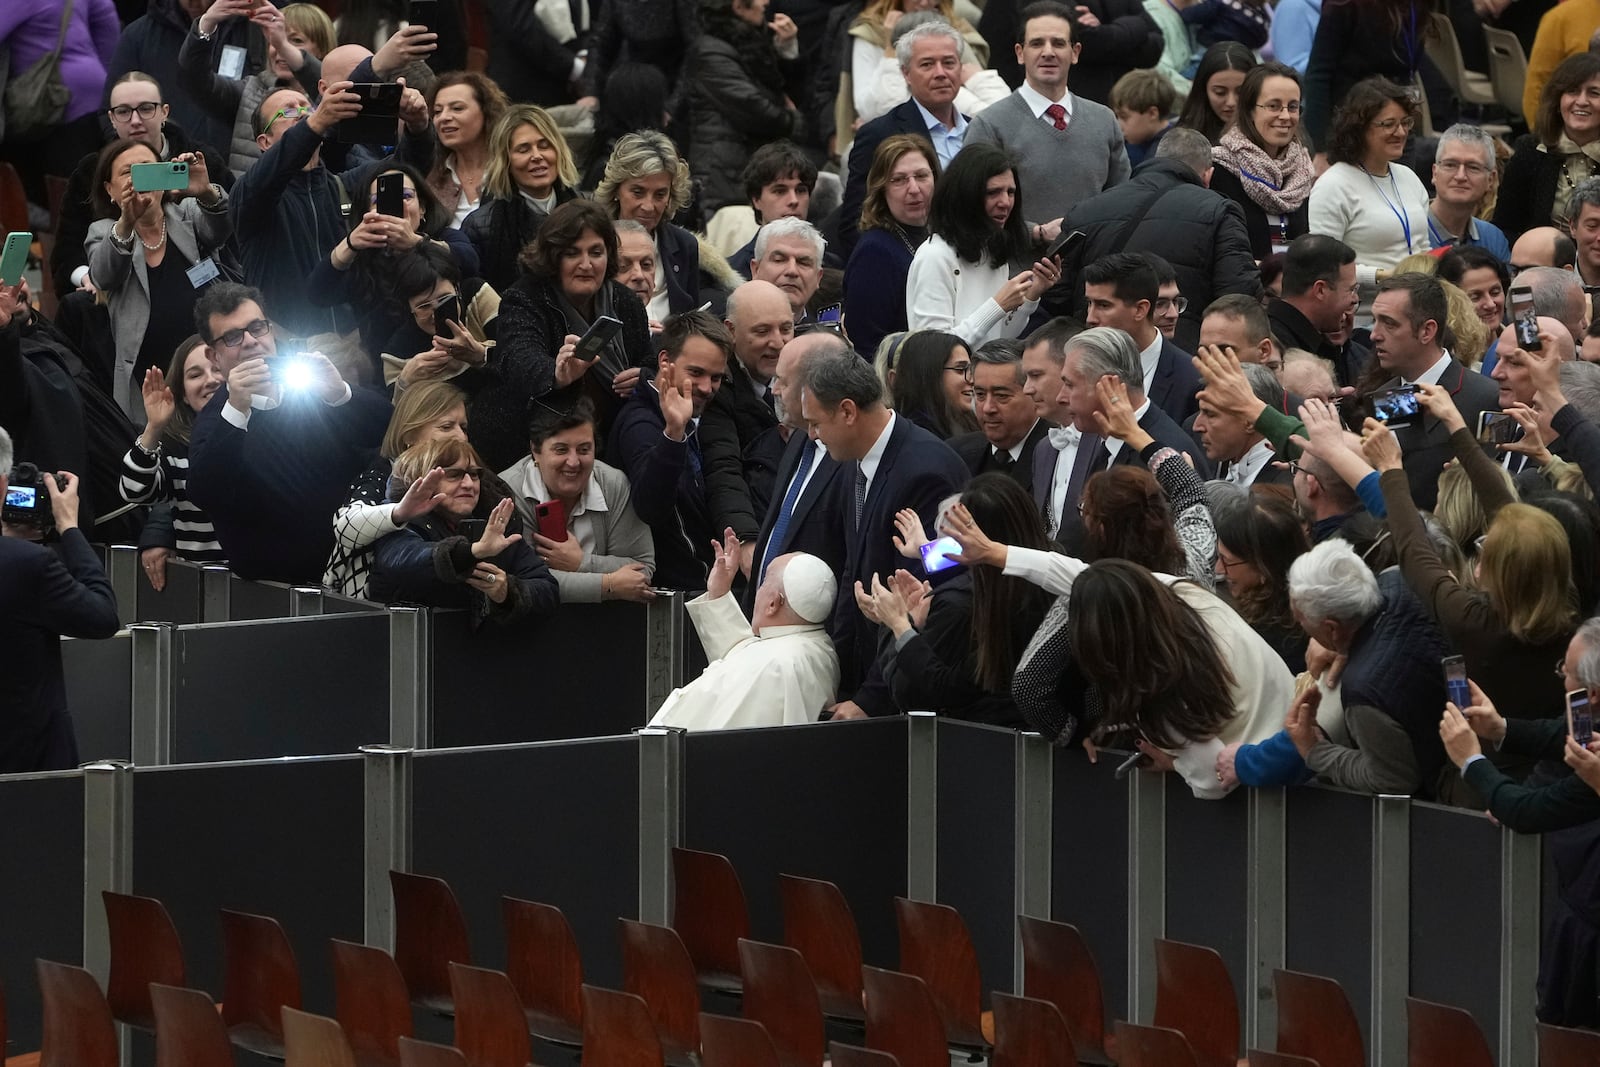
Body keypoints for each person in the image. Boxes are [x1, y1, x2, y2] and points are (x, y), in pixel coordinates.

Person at [801, 347, 969, 720]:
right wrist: (842, 678)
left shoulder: (928, 471)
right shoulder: (852, 461)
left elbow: (929, 593)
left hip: (913, 697)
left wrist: (869, 701)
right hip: (870, 674)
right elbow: (853, 575)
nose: (812, 435)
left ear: (847, 412)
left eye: (816, 423)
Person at [185, 283, 392, 583]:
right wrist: (237, 409)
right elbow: (206, 492)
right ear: (214, 356)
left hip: (349, 573)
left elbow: (387, 429)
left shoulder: (310, 389)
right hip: (270, 592)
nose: (250, 341)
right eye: (232, 337)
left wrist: (340, 392)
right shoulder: (217, 417)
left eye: (257, 328)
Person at [1221, 538, 1453, 796]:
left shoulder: (1363, 694)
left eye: (1303, 622)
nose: (1304, 632)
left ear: (1332, 627)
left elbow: (1393, 779)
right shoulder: (1403, 579)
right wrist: (1343, 645)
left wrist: (1315, 752)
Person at [230, 81, 434, 338]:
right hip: (285, 347)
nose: (304, 113)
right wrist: (314, 124)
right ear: (265, 141)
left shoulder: (343, 186)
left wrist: (418, 126)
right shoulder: (250, 193)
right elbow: (273, 171)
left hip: (352, 347)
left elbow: (404, 169)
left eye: (308, 107)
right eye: (289, 111)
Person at [858, 474, 1052, 725]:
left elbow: (935, 688)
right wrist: (927, 550)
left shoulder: (997, 612)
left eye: (959, 537)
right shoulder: (1050, 564)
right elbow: (1001, 545)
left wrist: (898, 625)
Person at [477, 200, 653, 469]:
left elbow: (649, 361)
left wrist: (644, 377)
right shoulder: (524, 297)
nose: (586, 264)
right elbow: (517, 357)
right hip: (531, 444)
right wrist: (557, 374)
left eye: (596, 252)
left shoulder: (625, 301)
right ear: (553, 256)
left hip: (613, 440)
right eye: (573, 253)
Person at [1062, 129, 1262, 353]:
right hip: (1182, 356)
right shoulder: (1220, 211)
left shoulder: (1086, 210)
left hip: (1096, 353)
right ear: (1208, 175)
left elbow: (1057, 295)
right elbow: (1238, 296)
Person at [85, 137, 232, 423]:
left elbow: (222, 230)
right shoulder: (104, 231)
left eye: (148, 168)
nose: (139, 178)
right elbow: (103, 275)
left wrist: (207, 193)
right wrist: (127, 221)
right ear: (109, 190)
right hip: (150, 379)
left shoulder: (187, 212)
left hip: (212, 366)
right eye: (129, 172)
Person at [52, 71, 233, 302]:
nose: (135, 120)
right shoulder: (92, 171)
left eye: (146, 108)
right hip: (119, 292)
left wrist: (207, 193)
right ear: (112, 119)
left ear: (164, 112)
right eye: (124, 112)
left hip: (201, 282)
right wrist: (86, 276)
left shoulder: (198, 160)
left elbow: (232, 228)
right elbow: (67, 248)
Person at [0, 426, 120, 773]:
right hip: (28, 775)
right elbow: (102, 617)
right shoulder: (27, 565)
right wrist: (69, 526)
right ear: (4, 486)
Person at [649, 529, 841, 729]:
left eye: (764, 581)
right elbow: (743, 654)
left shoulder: (773, 667)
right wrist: (719, 593)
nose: (758, 589)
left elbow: (707, 732)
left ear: (773, 604)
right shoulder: (814, 644)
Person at [965, 2, 1131, 227]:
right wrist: (1036, 233)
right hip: (1019, 261)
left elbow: (1122, 203)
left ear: (1075, 52)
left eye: (1059, 43)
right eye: (1036, 43)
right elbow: (970, 207)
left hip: (1094, 260)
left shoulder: (1104, 120)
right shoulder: (989, 125)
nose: (1048, 52)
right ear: (1020, 53)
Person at [369, 436, 560, 623]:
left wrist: (507, 591)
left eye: (474, 474)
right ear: (423, 482)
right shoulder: (397, 522)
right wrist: (473, 552)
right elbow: (404, 562)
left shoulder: (494, 524)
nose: (469, 484)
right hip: (412, 648)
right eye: (454, 475)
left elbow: (547, 590)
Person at [609, 310, 734, 592]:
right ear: (665, 361)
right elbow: (651, 508)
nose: (707, 387)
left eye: (716, 377)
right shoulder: (640, 424)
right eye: (696, 373)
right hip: (679, 594)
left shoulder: (695, 414)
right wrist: (673, 435)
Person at [308, 163, 478, 364]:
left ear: (422, 207)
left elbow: (470, 261)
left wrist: (415, 241)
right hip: (389, 369)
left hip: (456, 357)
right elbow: (318, 293)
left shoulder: (443, 237)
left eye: (406, 196)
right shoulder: (364, 258)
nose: (396, 205)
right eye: (378, 201)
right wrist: (350, 244)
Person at [322, 379, 472, 597]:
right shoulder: (382, 474)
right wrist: (399, 512)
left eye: (464, 427)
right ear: (410, 434)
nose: (461, 436)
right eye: (447, 427)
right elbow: (346, 526)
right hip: (373, 613)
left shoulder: (473, 478)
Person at [499, 399, 657, 603]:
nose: (573, 462)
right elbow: (523, 581)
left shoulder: (613, 483)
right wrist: (608, 585)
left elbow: (642, 569)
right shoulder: (509, 490)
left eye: (584, 450)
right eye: (561, 450)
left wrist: (580, 563)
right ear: (535, 451)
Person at [837, 20, 971, 258]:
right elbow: (855, 222)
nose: (940, 73)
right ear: (906, 73)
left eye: (949, 62)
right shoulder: (880, 134)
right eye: (927, 64)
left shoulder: (979, 129)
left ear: (961, 67)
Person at [1364, 273, 1499, 507]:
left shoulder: (1486, 397)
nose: (1374, 334)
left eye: (1389, 323)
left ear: (1427, 331)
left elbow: (1494, 490)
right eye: (1375, 320)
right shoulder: (1386, 394)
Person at [905, 144, 1060, 346]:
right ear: (967, 195)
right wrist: (997, 305)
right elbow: (933, 350)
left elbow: (999, 338)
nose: (1005, 202)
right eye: (993, 192)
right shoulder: (935, 256)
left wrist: (1032, 295)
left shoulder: (992, 252)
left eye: (1011, 192)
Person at [1307, 78, 1430, 309]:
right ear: (1360, 128)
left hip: (1417, 308)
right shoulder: (1333, 185)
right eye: (1388, 124)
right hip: (1363, 316)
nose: (1401, 131)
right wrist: (1382, 275)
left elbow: (1423, 247)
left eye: (1405, 122)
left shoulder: (1408, 177)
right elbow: (1324, 264)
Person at [746, 332, 849, 600]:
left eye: (783, 381)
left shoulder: (852, 457)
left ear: (814, 387)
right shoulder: (798, 438)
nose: (774, 389)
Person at [595, 131, 737, 321]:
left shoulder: (684, 245)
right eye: (638, 192)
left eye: (660, 195)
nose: (648, 206)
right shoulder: (594, 244)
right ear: (616, 191)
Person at [120, 336, 227, 585]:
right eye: (195, 374)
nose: (210, 380)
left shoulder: (265, 437)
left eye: (218, 369)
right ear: (185, 396)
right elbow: (133, 490)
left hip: (266, 584)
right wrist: (155, 427)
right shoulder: (176, 452)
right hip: (202, 584)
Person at [175, 0, 324, 178]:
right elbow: (195, 80)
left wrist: (284, 45)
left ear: (321, 50)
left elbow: (326, 87)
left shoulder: (328, 95)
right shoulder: (251, 91)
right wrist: (207, 23)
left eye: (296, 40)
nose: (278, 48)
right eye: (272, 39)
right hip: (256, 201)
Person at [699, 280, 794, 553]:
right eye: (762, 331)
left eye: (786, 329)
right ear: (731, 332)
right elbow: (723, 470)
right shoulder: (715, 389)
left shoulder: (806, 373)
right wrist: (745, 541)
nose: (778, 342)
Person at [684, 0, 803, 214]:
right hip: (725, 175)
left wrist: (787, 49)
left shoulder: (756, 41)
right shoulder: (710, 52)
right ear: (738, 7)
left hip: (748, 166)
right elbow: (755, 109)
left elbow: (789, 88)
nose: (766, 2)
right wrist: (793, 119)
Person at [460, 105, 582, 294]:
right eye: (523, 149)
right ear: (506, 162)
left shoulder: (586, 212)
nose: (537, 156)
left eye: (544, 145)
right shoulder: (480, 226)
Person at [843, 135, 940, 359]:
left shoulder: (941, 237)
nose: (914, 189)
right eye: (899, 180)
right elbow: (866, 346)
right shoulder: (874, 252)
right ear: (881, 189)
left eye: (922, 176)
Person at [1078, 254, 1204, 425]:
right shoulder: (1079, 366)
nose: (1090, 318)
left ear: (1140, 309)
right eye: (1089, 304)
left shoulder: (1192, 381)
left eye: (1103, 305)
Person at [1209, 62, 1315, 261]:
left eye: (1292, 107)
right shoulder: (1219, 170)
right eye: (1273, 106)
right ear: (1249, 110)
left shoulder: (1302, 170)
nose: (1285, 116)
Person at [1300, 0, 1433, 154]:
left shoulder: (1414, 7)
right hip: (1351, 130)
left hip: (1398, 124)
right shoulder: (1344, 5)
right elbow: (1318, 74)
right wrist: (1320, 148)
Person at [1495, 53, 1600, 244]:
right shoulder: (1530, 151)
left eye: (1594, 93)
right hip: (1538, 265)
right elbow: (1506, 226)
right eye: (1573, 91)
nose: (1582, 101)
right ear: (1558, 101)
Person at [1212, 491, 1310, 671]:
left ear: (1264, 567)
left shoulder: (1270, 641)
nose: (1218, 569)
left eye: (1226, 560)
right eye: (1218, 556)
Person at [948, 339, 1048, 488]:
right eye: (980, 394)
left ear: (1032, 391)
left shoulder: (1058, 454)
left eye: (1001, 396)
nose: (988, 408)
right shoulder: (956, 454)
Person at [1267, 234, 1364, 383]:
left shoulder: (1321, 342)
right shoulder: (1274, 349)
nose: (1354, 299)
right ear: (1320, 290)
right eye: (1350, 289)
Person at [423, 72, 507, 228]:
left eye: (457, 108)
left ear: (486, 112)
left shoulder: (511, 169)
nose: (444, 117)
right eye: (437, 111)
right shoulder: (429, 176)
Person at [726, 142, 820, 279]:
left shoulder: (829, 264)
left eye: (801, 190)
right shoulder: (733, 274)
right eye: (780, 191)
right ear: (756, 200)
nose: (794, 200)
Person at [1197, 363, 1293, 488]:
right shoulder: (1225, 460)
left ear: (1250, 421)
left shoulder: (1286, 487)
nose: (1197, 426)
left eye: (1210, 414)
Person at [1427, 125, 1512, 261]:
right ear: (1435, 173)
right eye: (1450, 165)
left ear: (1490, 179)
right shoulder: (1408, 232)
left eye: (1473, 167)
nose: (1460, 176)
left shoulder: (1494, 239)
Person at [888, 331, 979, 439]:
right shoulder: (917, 439)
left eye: (971, 369)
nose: (972, 380)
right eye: (960, 369)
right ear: (929, 375)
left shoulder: (975, 425)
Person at [1437, 246, 1509, 373]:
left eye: (1495, 292)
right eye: (1475, 297)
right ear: (1451, 301)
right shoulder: (1444, 362)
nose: (1490, 304)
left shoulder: (1521, 344)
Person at [751, 217, 831, 324]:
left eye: (803, 263)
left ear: (818, 277)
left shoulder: (824, 338)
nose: (792, 271)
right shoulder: (729, 334)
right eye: (779, 260)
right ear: (756, 269)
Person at [1176, 41, 1256, 145]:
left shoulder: (1273, 136)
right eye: (1220, 92)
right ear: (1204, 91)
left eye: (1241, 92)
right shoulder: (1182, 141)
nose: (1231, 102)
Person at [1109, 68, 1179, 168]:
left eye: (1124, 117)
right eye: (1117, 117)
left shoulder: (1167, 155)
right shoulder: (1128, 143)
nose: (1119, 125)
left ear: (1152, 114)